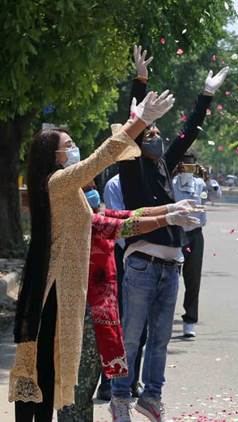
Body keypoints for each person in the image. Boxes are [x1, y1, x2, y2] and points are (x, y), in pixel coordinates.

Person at [9, 90, 174, 421]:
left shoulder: (66, 188)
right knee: (43, 372)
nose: (73, 150)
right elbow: (103, 157)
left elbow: (107, 222)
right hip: (53, 291)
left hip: (61, 290)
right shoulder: (59, 182)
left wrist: (167, 213)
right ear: (53, 155)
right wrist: (137, 121)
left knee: (48, 373)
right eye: (68, 146)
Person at [109, 46, 228, 422]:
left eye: (158, 133)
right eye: (151, 133)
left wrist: (206, 95)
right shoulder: (130, 166)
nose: (157, 137)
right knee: (132, 338)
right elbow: (133, 123)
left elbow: (189, 130)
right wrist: (140, 84)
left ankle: (152, 397)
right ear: (139, 139)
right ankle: (119, 398)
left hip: (170, 266)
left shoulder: (163, 164)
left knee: (159, 339)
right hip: (142, 265)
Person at [58, 183, 199, 421]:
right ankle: (117, 399)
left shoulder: (96, 216)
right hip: (79, 307)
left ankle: (144, 397)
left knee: (154, 340)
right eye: (86, 192)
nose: (94, 196)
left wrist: (169, 209)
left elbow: (132, 214)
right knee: (83, 379)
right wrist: (168, 218)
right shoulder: (85, 221)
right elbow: (126, 225)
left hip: (99, 305)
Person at [97, 173, 148, 401]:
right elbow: (118, 226)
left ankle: (132, 378)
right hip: (122, 255)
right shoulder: (115, 184)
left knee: (140, 322)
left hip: (147, 256)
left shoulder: (150, 179)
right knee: (115, 319)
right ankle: (108, 381)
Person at [171, 152, 208, 338]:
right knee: (171, 276)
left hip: (195, 234)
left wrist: (207, 178)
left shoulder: (200, 184)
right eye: (185, 165)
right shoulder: (172, 182)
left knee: (193, 278)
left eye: (191, 166)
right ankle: (166, 315)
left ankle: (190, 320)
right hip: (176, 233)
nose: (188, 169)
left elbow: (214, 195)